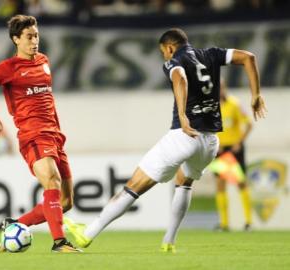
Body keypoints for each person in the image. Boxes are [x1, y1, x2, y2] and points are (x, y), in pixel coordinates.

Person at [64, 28, 267, 253]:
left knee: (133, 187)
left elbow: (180, 78)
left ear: (170, 47)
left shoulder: (175, 60)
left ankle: (87, 234)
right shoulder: (211, 54)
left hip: (183, 135)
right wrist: (256, 95)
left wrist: (182, 114)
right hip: (210, 142)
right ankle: (169, 242)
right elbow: (249, 57)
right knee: (184, 183)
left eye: (164, 53)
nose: (165, 57)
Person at [0, 14, 81, 253]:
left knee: (65, 202)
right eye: (29, 37)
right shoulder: (7, 68)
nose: (34, 41)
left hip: (55, 135)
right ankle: (59, 242)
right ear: (16, 39)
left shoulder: (43, 61)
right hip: (33, 135)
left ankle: (15, 225)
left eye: (36, 36)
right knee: (52, 180)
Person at [214, 79, 253, 231]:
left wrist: (239, 142)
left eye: (221, 87)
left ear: (225, 88)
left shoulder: (235, 104)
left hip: (234, 148)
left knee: (241, 182)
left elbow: (249, 124)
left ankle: (248, 222)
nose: (219, 90)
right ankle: (224, 224)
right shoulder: (212, 108)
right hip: (220, 149)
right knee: (220, 184)